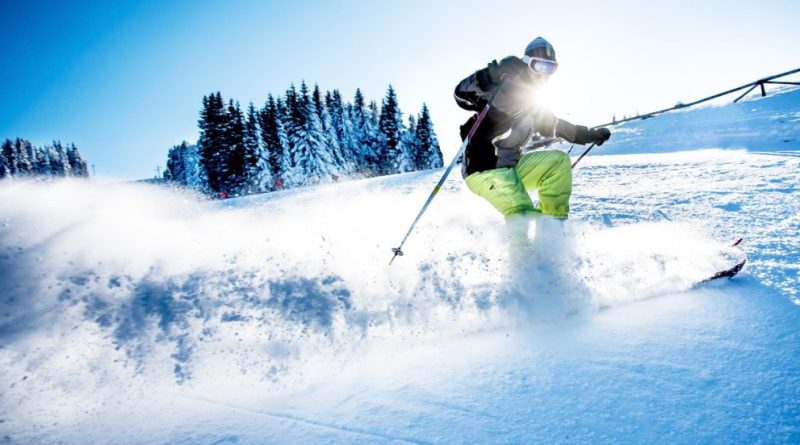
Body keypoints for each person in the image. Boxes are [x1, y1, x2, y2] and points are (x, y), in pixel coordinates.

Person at [454, 37, 611, 228]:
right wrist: (485, 77)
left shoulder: (532, 104)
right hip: (484, 168)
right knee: (521, 215)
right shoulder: (500, 83)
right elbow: (460, 95)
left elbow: (558, 127)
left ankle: (553, 227)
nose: (544, 74)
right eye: (540, 66)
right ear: (527, 62)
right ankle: (527, 256)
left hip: (509, 167)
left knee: (558, 162)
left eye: (551, 68)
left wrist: (590, 135)